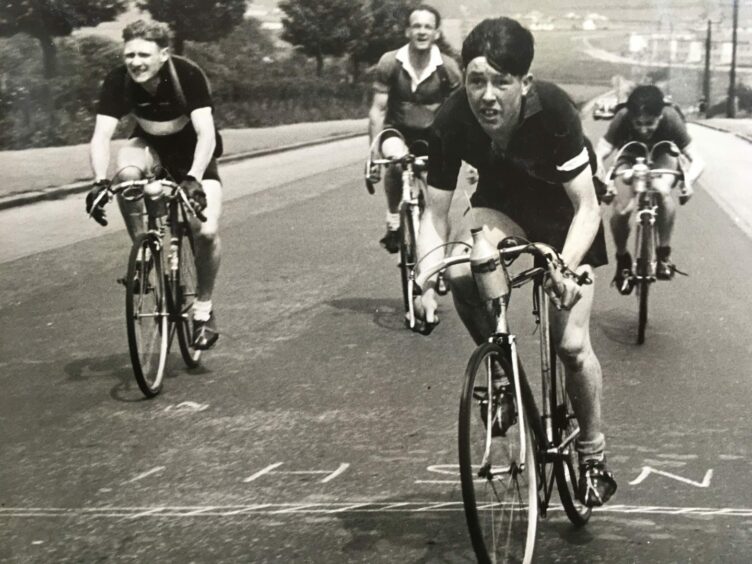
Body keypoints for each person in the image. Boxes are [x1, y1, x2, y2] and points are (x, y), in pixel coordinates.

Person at [415, 17, 616, 507]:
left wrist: (565, 270)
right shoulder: (451, 119)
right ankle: (502, 376)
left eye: (501, 82)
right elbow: (435, 216)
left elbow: (587, 207)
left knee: (571, 346)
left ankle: (592, 455)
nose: (487, 95)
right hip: (501, 207)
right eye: (476, 80)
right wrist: (421, 281)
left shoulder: (554, 112)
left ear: (524, 83)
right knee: (460, 266)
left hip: (564, 218)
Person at [85, 19, 222, 350]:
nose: (135, 62)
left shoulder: (187, 74)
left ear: (164, 54)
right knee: (126, 175)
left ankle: (203, 311)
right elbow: (101, 135)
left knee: (204, 232)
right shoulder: (119, 80)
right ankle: (143, 252)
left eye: (143, 54)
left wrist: (193, 178)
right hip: (151, 149)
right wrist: (98, 181)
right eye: (129, 54)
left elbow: (205, 132)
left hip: (194, 156)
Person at [368, 4, 462, 253]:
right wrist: (373, 153)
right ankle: (393, 219)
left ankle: (439, 256)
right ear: (408, 31)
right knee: (397, 161)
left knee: (437, 202)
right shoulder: (390, 63)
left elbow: (459, 115)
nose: (422, 32)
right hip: (397, 131)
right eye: (416, 26)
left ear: (437, 33)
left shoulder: (448, 68)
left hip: (433, 136)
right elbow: (378, 110)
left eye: (428, 27)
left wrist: (469, 157)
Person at [596, 84, 705, 294]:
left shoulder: (671, 118)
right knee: (622, 210)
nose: (643, 129)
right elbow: (599, 153)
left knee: (661, 190)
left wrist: (688, 181)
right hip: (629, 157)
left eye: (650, 123)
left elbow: (698, 160)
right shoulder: (622, 117)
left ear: (660, 117)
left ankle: (663, 254)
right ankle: (622, 259)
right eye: (638, 123)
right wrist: (604, 180)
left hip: (662, 156)